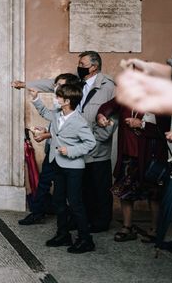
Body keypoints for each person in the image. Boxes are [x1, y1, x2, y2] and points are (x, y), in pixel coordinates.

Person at [14, 51, 116, 232]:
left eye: (83, 63)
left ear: (94, 66)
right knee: (78, 191)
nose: (79, 66)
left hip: (93, 147)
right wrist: (27, 87)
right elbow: (51, 93)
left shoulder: (108, 87)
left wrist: (96, 139)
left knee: (98, 187)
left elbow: (111, 115)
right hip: (71, 148)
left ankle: (96, 226)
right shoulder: (74, 82)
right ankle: (73, 225)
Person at [30, 82, 96, 253]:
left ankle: (86, 239)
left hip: (73, 167)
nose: (56, 98)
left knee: (75, 203)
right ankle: (63, 234)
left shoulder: (79, 121)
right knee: (59, 201)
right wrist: (36, 98)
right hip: (57, 164)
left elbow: (91, 143)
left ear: (67, 101)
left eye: (58, 96)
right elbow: (44, 112)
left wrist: (72, 150)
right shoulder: (57, 115)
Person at [97, 99, 168, 242]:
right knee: (125, 192)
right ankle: (127, 227)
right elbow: (107, 107)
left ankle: (155, 229)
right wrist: (101, 116)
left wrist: (141, 124)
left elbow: (164, 130)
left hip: (150, 157)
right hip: (127, 155)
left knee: (153, 193)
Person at [17, 73, 81, 225]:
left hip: (66, 156)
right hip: (52, 153)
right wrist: (46, 128)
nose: (56, 88)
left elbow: (68, 132)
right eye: (56, 85)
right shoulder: (60, 106)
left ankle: (70, 220)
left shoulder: (75, 110)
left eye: (61, 86)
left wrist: (46, 135)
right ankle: (38, 212)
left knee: (66, 190)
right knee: (44, 183)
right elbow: (52, 119)